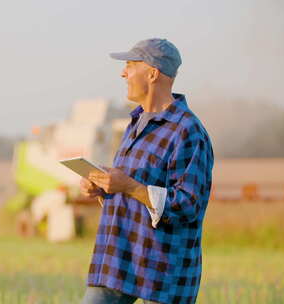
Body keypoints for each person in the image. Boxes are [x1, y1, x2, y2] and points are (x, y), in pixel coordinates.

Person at [80, 38, 214, 304]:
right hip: (118, 262)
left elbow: (188, 205)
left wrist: (128, 185)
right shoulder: (134, 123)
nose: (123, 73)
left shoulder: (188, 131)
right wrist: (104, 187)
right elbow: (133, 190)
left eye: (130, 65)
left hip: (163, 273)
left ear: (152, 74)